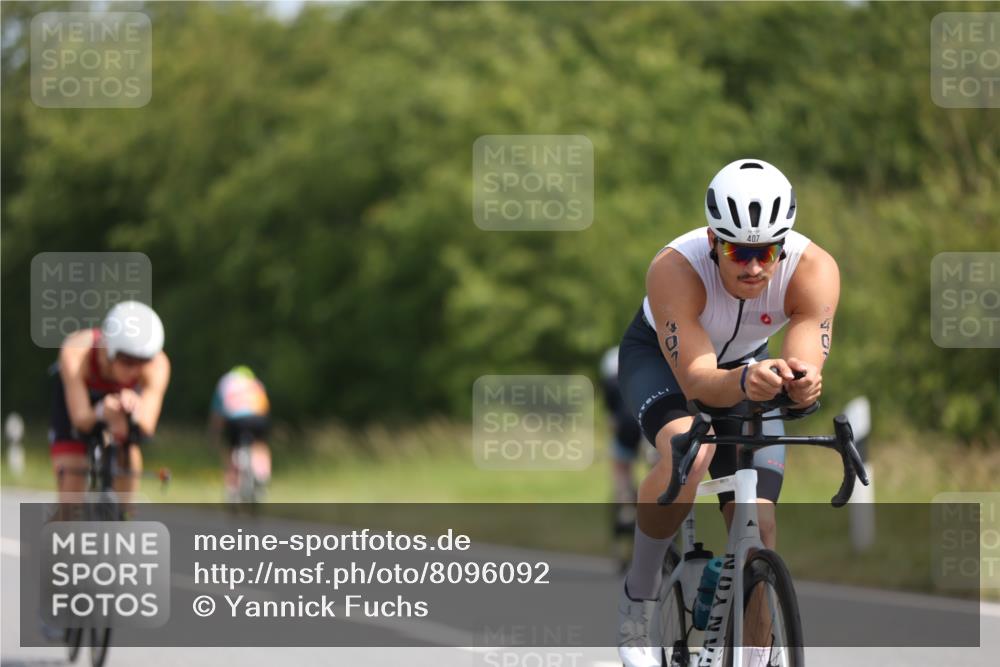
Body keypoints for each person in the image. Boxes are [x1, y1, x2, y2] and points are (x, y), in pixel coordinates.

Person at [616, 159, 840, 667]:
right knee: (690, 456)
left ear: (783, 243)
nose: (754, 266)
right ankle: (638, 599)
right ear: (715, 240)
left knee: (759, 523)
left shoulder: (814, 270)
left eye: (766, 252)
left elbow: (804, 362)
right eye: (739, 251)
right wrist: (744, 381)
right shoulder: (675, 268)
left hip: (743, 367)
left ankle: (755, 656)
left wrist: (802, 385)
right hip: (663, 362)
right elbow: (698, 381)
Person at [49, 300, 170, 500]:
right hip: (80, 399)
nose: (135, 370)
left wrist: (134, 411)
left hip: (124, 404)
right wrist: (100, 411)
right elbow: (80, 418)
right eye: (127, 361)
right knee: (72, 481)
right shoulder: (77, 352)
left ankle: (123, 514)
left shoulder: (158, 365)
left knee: (128, 444)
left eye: (143, 362)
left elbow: (147, 426)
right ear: (109, 350)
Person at [600, 346, 645, 568]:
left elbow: (611, 417)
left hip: (624, 425)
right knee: (660, 469)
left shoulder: (609, 368)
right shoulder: (645, 363)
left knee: (621, 469)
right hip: (648, 421)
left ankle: (625, 504)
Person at [209, 365, 272, 500]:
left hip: (236, 421)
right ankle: (262, 474)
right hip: (258, 418)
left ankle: (232, 486)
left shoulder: (225, 383)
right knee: (260, 445)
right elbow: (265, 407)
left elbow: (217, 415)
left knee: (231, 450)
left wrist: (215, 435)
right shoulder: (255, 383)